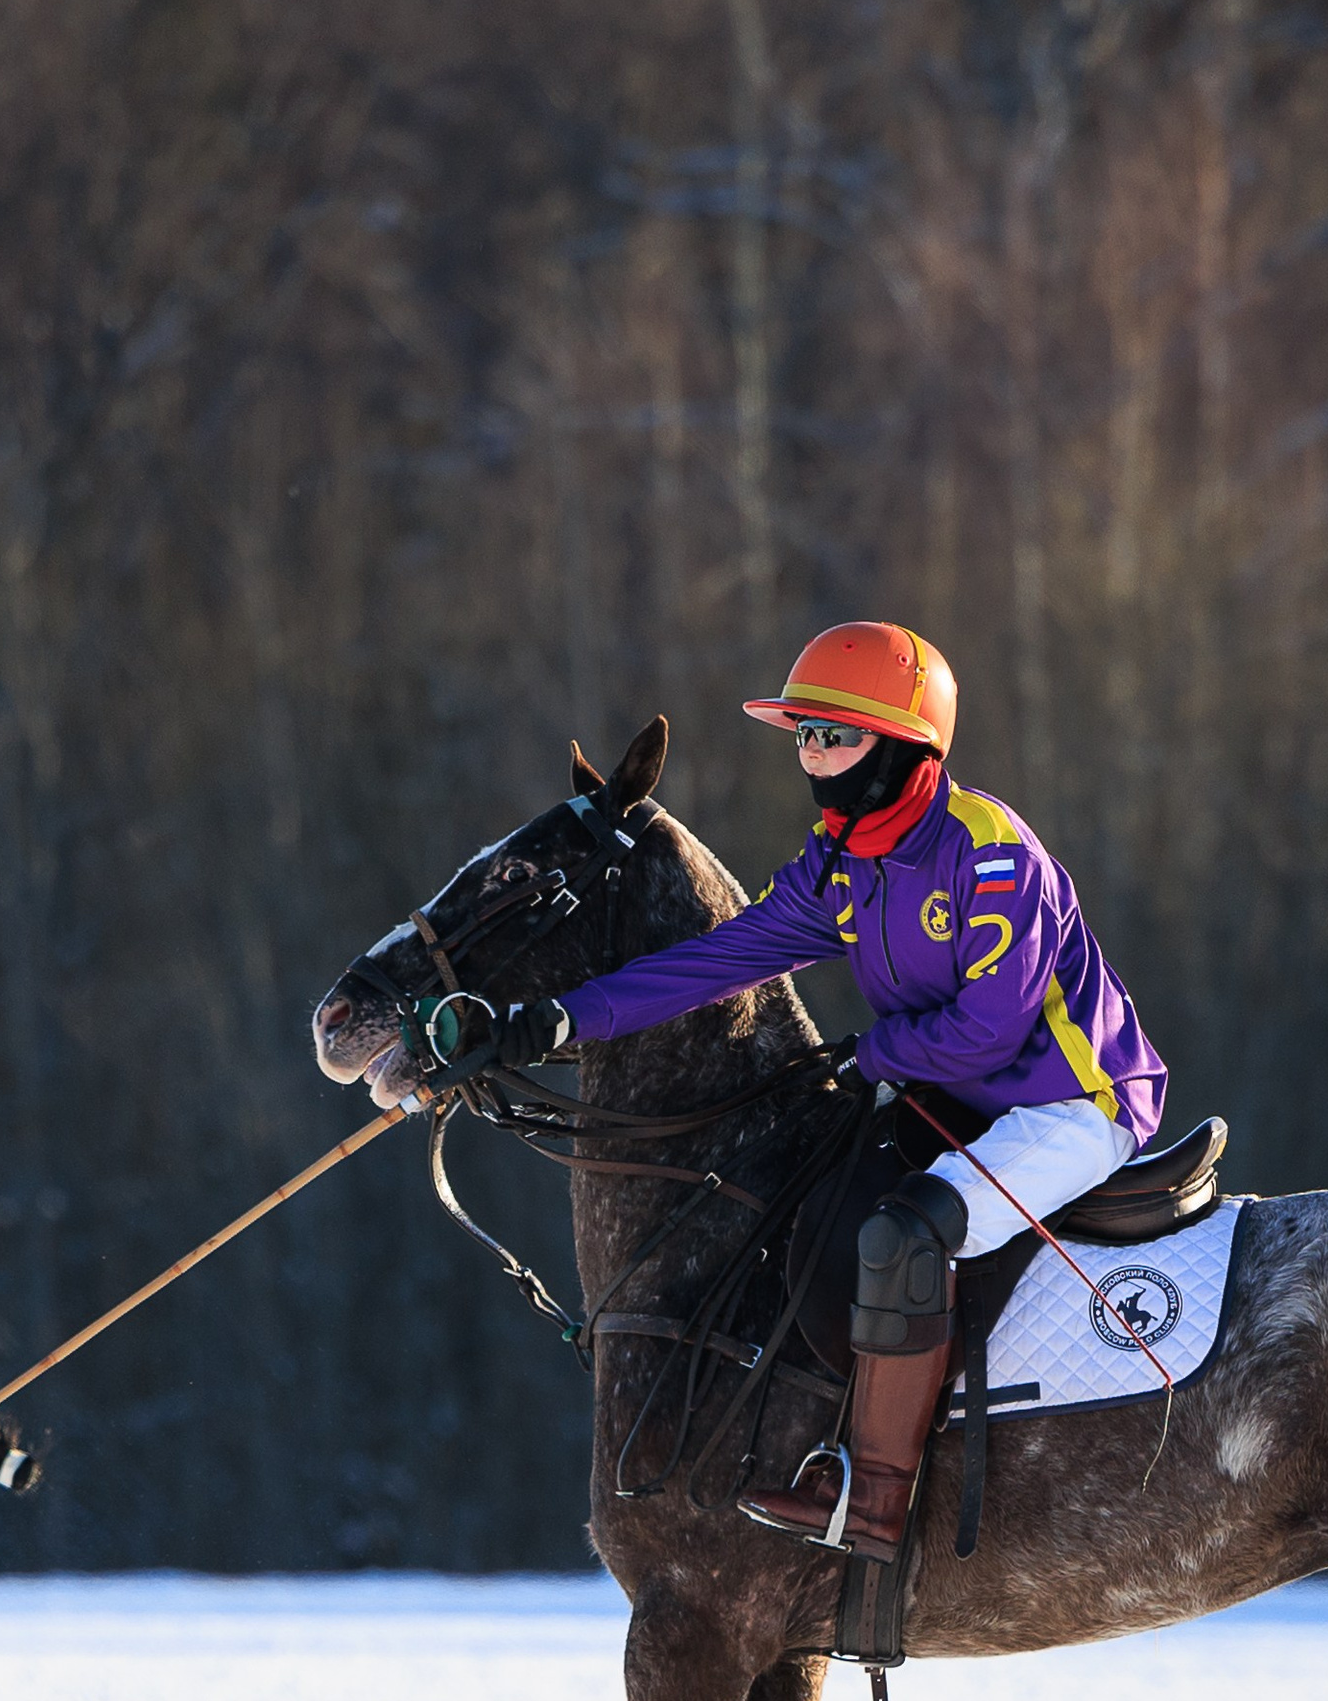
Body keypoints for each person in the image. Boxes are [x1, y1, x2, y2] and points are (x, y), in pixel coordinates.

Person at [461, 620, 1164, 1563]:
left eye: (835, 734)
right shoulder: (837, 862)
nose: (814, 755)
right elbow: (715, 961)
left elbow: (990, 1028)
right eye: (804, 734)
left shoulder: (988, 851)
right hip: (954, 1099)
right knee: (811, 1203)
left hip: (1070, 1102)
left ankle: (870, 1499)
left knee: (906, 1231)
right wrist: (559, 1017)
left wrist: (875, 1056)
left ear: (904, 743)